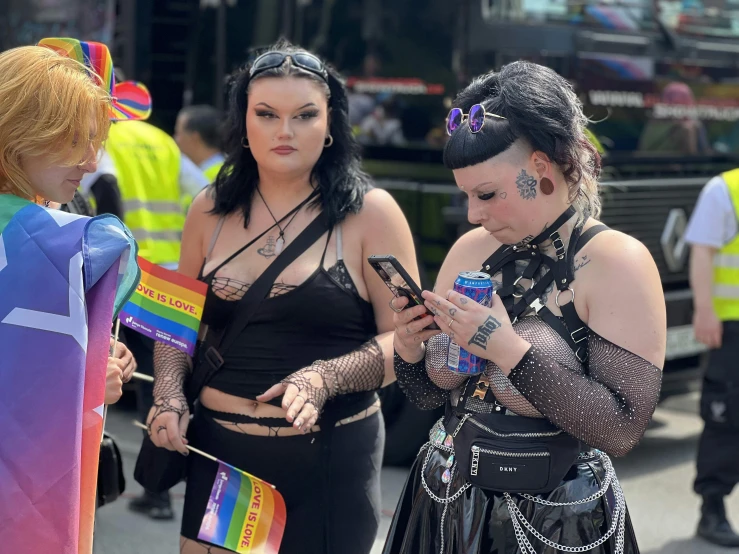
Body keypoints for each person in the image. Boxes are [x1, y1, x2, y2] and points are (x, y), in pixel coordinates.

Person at [145, 41, 418, 554]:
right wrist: (167, 395)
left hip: (327, 458)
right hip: (220, 461)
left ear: (331, 123)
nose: (284, 131)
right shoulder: (208, 208)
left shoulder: (373, 214)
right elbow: (176, 323)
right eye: (266, 114)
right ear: (243, 122)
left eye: (305, 115)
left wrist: (324, 377)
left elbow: (408, 342)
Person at [384, 61, 666, 554]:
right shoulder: (471, 249)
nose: (474, 214)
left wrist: (510, 351)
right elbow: (428, 395)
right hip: (444, 503)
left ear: (541, 166)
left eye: (488, 194)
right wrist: (410, 349)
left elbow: (621, 427)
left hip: (560, 520)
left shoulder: (617, 262)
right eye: (467, 196)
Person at [0, 44, 139, 553]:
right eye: (72, 140)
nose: (90, 159)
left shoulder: (61, 236)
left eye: (94, 140)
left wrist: (93, 356)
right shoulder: (64, 241)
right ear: (17, 131)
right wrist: (77, 377)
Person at [684, 167, 739, 547]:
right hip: (732, 326)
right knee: (726, 418)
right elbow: (702, 250)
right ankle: (712, 507)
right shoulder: (724, 189)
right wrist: (704, 310)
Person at [174, 104, 226, 182]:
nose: (175, 139)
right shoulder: (228, 171)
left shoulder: (221, 177)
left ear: (194, 137)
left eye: (178, 133)